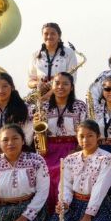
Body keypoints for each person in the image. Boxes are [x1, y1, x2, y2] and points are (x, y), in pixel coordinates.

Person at [34, 72, 89, 212]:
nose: (60, 87)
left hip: (73, 148)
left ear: (72, 87)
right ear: (52, 86)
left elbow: (86, 131)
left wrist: (78, 149)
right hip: (48, 149)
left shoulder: (80, 106)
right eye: (57, 83)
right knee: (45, 179)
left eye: (65, 84)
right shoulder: (43, 107)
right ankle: (48, 215)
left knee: (63, 177)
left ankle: (64, 213)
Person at [27, 22, 79, 102]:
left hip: (62, 99)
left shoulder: (69, 53)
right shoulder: (35, 55)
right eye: (46, 34)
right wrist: (38, 84)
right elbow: (30, 81)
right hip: (39, 97)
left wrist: (48, 95)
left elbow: (72, 80)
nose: (49, 36)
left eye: (53, 33)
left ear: (59, 36)